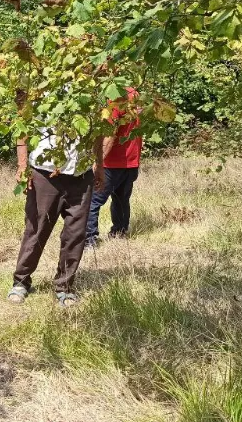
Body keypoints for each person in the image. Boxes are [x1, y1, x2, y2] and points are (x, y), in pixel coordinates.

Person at [8, 124, 105, 307]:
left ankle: (64, 287)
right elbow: (22, 127)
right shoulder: (41, 94)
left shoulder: (94, 96)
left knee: (76, 234)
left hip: (81, 175)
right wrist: (22, 165)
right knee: (37, 229)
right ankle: (21, 282)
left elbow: (99, 133)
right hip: (45, 173)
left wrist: (99, 164)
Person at [86, 88, 142, 247]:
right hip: (131, 160)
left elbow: (110, 134)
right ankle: (120, 232)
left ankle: (89, 240)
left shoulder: (114, 96)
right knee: (121, 199)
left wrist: (98, 162)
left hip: (112, 162)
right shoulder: (134, 93)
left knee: (93, 200)